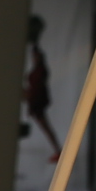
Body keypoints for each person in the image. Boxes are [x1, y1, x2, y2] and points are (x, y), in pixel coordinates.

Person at [24, 11, 61, 164]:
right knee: (46, 127)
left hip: (37, 99)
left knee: (46, 127)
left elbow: (37, 86)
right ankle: (58, 150)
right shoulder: (38, 70)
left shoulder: (40, 71)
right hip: (36, 99)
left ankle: (58, 150)